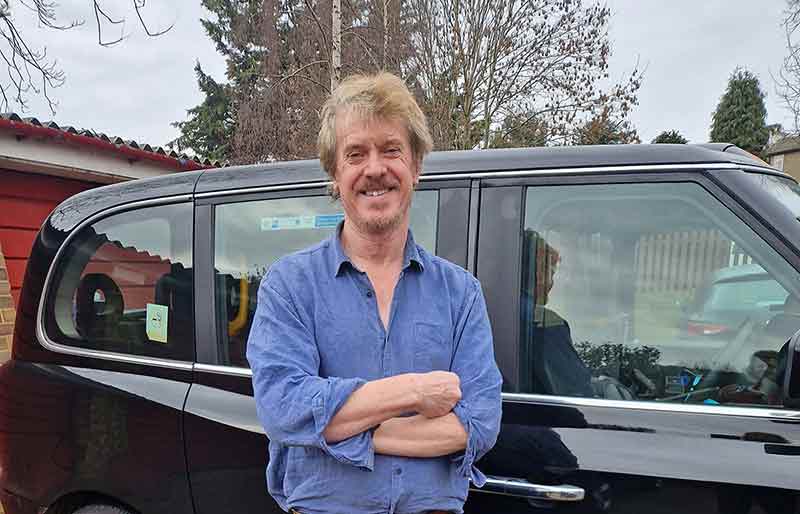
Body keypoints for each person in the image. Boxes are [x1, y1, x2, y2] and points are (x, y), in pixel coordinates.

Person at [246, 72, 503, 514]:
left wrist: (341, 430)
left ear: (416, 167)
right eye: (356, 154)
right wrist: (411, 393)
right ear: (335, 174)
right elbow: (284, 407)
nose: (375, 168)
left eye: (391, 150)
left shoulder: (460, 293)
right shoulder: (289, 286)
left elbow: (479, 421)